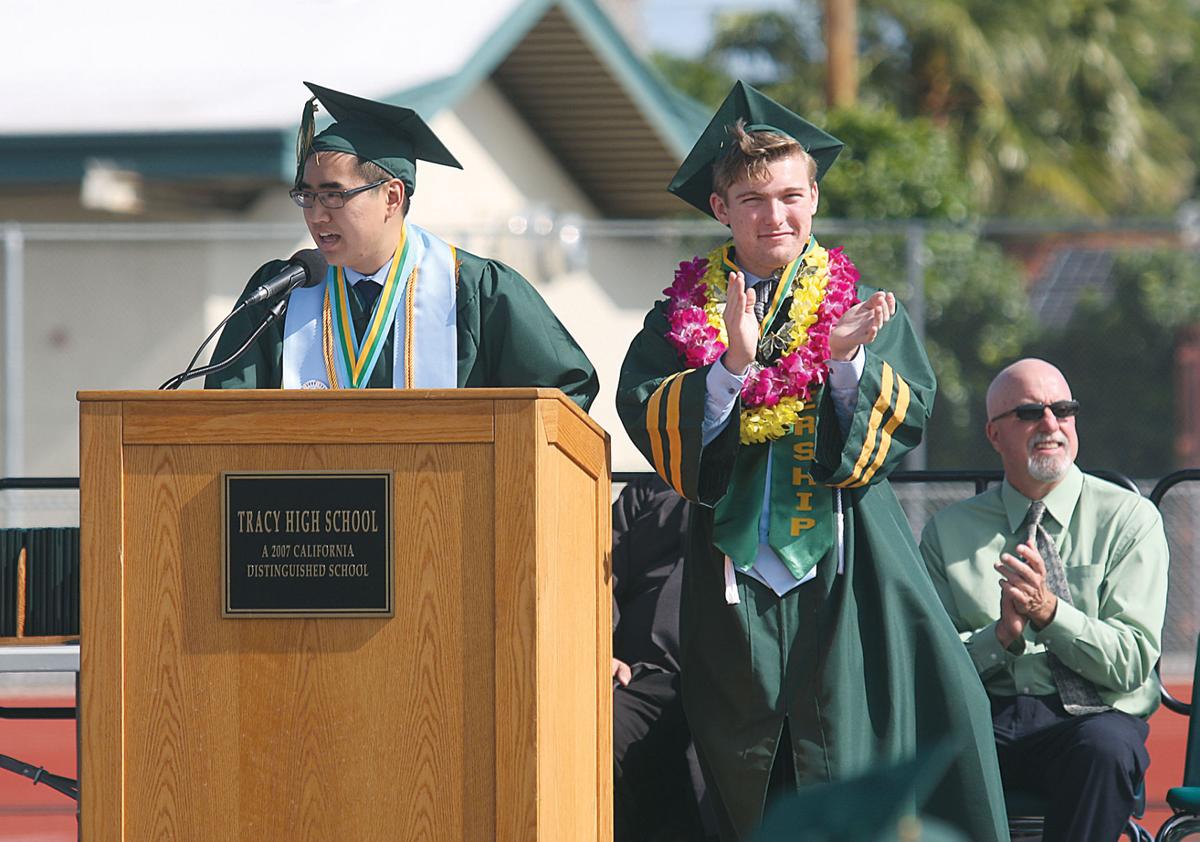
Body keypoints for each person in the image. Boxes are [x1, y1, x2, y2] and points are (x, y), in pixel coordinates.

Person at [615, 81, 1008, 842]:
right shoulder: (680, 316)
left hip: (851, 571)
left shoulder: (857, 302)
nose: (776, 215)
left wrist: (842, 363)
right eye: (754, 199)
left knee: (888, 734)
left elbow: (901, 420)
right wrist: (726, 367)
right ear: (721, 208)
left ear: (815, 198)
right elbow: (654, 418)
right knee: (750, 766)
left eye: (791, 196)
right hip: (733, 586)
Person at [205, 82, 597, 411]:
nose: (317, 215)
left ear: (392, 197)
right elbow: (226, 411)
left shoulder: (476, 291)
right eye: (307, 196)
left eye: (334, 195)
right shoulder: (284, 292)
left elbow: (563, 393)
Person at [920, 358, 1168, 842]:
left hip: (1092, 718)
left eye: (1064, 409)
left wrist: (1050, 613)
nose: (1051, 425)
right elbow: (929, 670)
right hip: (986, 715)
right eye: (1031, 412)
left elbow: (1133, 663)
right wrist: (1001, 636)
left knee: (1108, 749)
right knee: (914, 755)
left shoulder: (1130, 520)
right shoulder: (947, 532)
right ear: (995, 435)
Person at [610, 474, 717, 842]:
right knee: (600, 731)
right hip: (639, 675)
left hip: (732, 680)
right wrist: (594, 652)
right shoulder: (647, 490)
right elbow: (595, 572)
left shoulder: (775, 485)